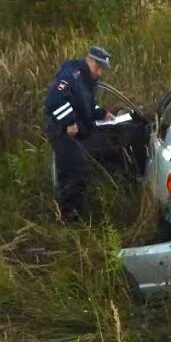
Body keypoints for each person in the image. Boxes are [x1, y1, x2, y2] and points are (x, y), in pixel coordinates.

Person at [43, 46, 115, 222]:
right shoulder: (72, 74)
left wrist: (102, 113)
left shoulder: (88, 79)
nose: (99, 72)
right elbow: (54, 100)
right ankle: (69, 218)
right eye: (97, 67)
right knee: (75, 172)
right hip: (62, 131)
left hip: (75, 132)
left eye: (102, 69)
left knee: (73, 171)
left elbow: (85, 106)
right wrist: (69, 121)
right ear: (89, 61)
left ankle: (70, 213)